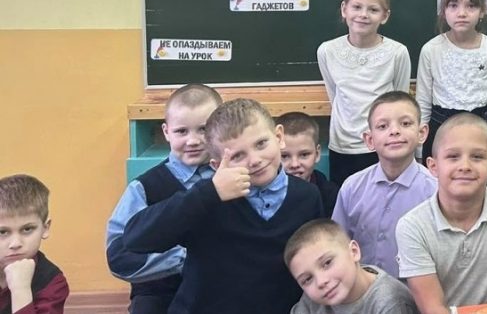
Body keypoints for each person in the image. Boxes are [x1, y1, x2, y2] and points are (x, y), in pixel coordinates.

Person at [123, 98, 324, 314]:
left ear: (279, 137)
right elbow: (135, 240)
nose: (254, 160)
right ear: (217, 165)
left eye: (261, 144)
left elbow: (313, 263)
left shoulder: (307, 196)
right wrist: (209, 192)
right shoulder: (205, 200)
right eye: (237, 155)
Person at [397, 113, 487, 313]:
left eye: (477, 157)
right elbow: (433, 308)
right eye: (453, 157)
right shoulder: (412, 226)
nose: (465, 166)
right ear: (433, 166)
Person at [106, 83, 221, 313]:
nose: (193, 141)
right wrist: (188, 257)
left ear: (220, 129)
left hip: (221, 291)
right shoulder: (143, 189)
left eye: (203, 129)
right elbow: (119, 257)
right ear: (166, 131)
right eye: (181, 131)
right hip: (161, 295)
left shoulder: (235, 177)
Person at [318, 0, 412, 184]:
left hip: (382, 145)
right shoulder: (327, 51)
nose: (363, 15)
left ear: (385, 16)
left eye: (373, 9)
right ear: (344, 9)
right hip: (342, 146)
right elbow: (335, 95)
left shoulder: (397, 53)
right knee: (345, 200)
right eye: (357, 7)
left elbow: (400, 102)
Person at [333, 91, 437, 278]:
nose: (394, 131)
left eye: (405, 123)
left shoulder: (435, 192)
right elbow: (337, 244)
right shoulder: (352, 187)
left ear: (422, 133)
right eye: (382, 126)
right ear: (369, 140)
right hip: (363, 290)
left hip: (415, 291)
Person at [416, 0, 487, 177]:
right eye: (453, 5)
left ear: (482, 11)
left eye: (471, 6)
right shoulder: (431, 50)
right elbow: (423, 103)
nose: (462, 13)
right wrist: (420, 151)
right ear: (443, 10)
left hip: (482, 130)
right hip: (441, 130)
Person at [285, 219, 417, 314]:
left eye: (327, 263)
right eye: (307, 279)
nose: (320, 282)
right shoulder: (313, 299)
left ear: (354, 252)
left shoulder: (390, 302)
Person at [0, 174, 68, 314]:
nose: (15, 244)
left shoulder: (52, 281)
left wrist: (21, 290)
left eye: (27, 229)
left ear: (45, 228)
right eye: (2, 232)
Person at [278, 112, 338, 218]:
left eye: (304, 155)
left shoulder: (330, 195)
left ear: (317, 154)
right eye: (284, 156)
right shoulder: (263, 194)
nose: (294, 164)